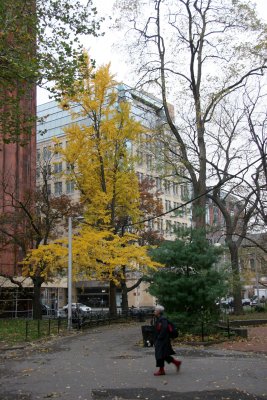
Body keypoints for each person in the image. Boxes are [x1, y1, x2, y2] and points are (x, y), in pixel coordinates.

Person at [153, 305, 182, 376]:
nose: (154, 311)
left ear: (159, 311)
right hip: (162, 339)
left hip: (162, 340)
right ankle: (176, 363)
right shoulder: (159, 318)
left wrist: (159, 338)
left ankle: (161, 370)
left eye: (155, 310)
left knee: (159, 355)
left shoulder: (162, 319)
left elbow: (164, 328)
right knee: (163, 355)